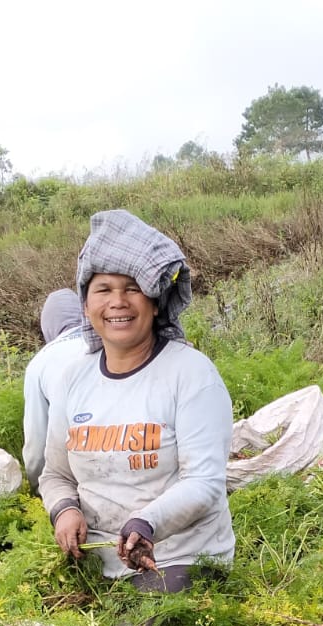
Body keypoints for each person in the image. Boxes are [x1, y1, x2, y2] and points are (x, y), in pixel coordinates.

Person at [38, 210, 234, 593]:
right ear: (86, 304)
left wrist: (146, 522)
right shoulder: (75, 378)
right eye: (104, 290)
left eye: (132, 289)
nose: (118, 302)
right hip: (95, 562)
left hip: (178, 558)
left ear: (156, 302)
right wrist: (64, 510)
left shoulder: (191, 374)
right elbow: (56, 475)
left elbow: (205, 483)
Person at [21, 289, 86, 492]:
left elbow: (37, 440)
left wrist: (38, 487)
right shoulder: (111, 342)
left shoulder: (40, 363)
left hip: (73, 469)